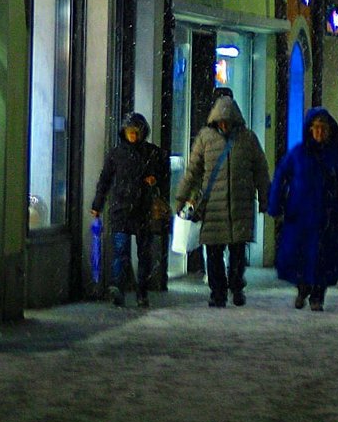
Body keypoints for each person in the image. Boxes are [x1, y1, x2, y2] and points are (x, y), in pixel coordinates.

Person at [174, 87, 270, 308]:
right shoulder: (207, 138)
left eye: (227, 122)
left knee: (237, 253)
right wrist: (181, 199)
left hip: (240, 206)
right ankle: (218, 292)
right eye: (221, 121)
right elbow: (192, 171)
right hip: (213, 207)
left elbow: (261, 172)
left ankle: (236, 287)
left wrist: (266, 198)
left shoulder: (246, 138)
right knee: (214, 252)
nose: (224, 125)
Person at [269, 107, 338, 312]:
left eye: (323, 128)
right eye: (315, 128)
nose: (319, 132)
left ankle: (317, 296)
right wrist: (276, 204)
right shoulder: (298, 155)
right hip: (301, 218)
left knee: (324, 261)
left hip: (328, 219)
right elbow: (280, 178)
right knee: (300, 257)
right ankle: (302, 289)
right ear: (310, 130)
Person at [90, 111, 166, 308]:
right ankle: (119, 288)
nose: (132, 135)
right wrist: (97, 204)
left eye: (136, 132)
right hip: (123, 210)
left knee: (142, 253)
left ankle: (140, 291)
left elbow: (162, 172)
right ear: (124, 132)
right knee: (121, 251)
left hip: (140, 209)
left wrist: (154, 178)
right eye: (129, 132)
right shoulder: (118, 154)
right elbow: (104, 180)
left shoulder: (150, 153)